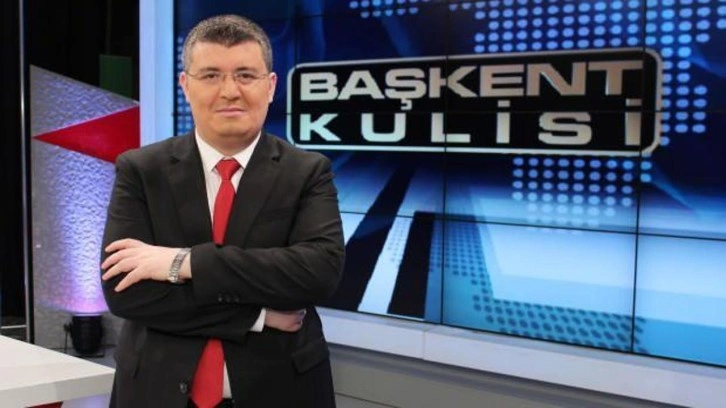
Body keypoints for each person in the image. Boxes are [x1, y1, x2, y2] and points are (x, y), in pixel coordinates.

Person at [100, 14, 345, 408]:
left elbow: (317, 273)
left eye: (245, 75)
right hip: (158, 392)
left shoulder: (307, 171)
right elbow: (126, 294)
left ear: (270, 86)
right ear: (185, 85)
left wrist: (183, 263)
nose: (230, 91)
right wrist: (256, 317)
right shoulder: (141, 169)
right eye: (211, 75)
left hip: (280, 392)